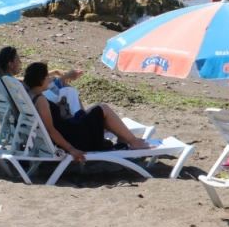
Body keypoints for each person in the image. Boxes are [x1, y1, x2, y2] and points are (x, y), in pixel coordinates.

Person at [23, 62, 152, 163]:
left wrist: (61, 75)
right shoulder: (41, 101)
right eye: (47, 77)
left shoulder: (29, 93)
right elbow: (50, 130)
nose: (50, 79)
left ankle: (125, 140)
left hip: (69, 131)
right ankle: (133, 142)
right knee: (102, 108)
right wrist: (72, 149)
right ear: (40, 80)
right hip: (75, 139)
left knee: (95, 111)